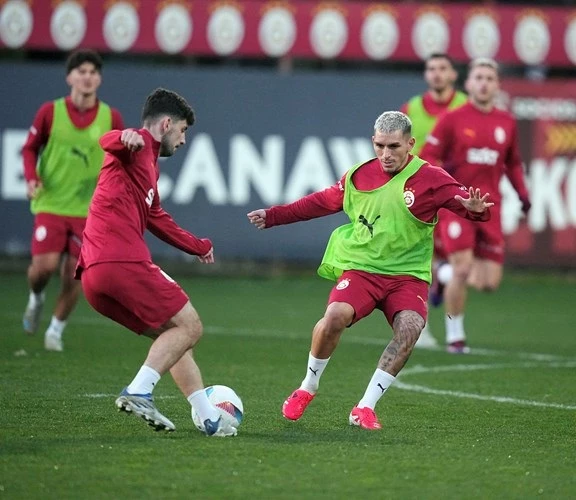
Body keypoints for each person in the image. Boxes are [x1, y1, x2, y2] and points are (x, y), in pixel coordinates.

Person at [247, 111, 493, 430]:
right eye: (379, 146)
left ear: (410, 143)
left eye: (394, 146)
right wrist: (274, 216)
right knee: (334, 318)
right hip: (362, 269)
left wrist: (474, 211)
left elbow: (470, 205)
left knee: (410, 330)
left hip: (408, 277)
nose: (386, 154)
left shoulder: (431, 178)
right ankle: (308, 385)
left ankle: (365, 407)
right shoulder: (358, 176)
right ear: (372, 142)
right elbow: (320, 202)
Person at [75, 88, 236, 436]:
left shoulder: (148, 165)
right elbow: (108, 141)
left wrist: (197, 246)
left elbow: (156, 217)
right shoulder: (133, 148)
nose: (183, 141)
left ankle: (208, 417)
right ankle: (138, 391)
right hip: (119, 260)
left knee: (172, 336)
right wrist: (124, 136)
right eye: (182, 131)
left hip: (94, 277)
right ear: (166, 124)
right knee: (190, 326)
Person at [420, 58, 531, 354]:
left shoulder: (506, 121)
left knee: (488, 282)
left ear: (497, 85)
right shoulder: (452, 119)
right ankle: (456, 336)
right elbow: (428, 156)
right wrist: (445, 186)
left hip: (490, 208)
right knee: (463, 268)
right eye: (478, 77)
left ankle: (441, 276)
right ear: (468, 84)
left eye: (489, 78)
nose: (483, 83)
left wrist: (523, 193)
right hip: (457, 206)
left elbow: (513, 162)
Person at [21, 49, 124, 352]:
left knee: (73, 274)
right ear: (70, 77)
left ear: (99, 79)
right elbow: (29, 148)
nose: (87, 77)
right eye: (81, 72)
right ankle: (36, 297)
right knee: (44, 268)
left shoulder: (111, 117)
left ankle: (55, 331)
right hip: (51, 203)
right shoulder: (50, 112)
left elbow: (121, 159)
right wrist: (31, 177)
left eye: (93, 72)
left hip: (89, 210)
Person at [401, 53, 468, 349]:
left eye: (443, 68)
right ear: (426, 75)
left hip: (454, 191)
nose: (437, 74)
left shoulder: (466, 106)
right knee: (420, 261)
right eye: (431, 69)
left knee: (464, 267)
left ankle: (442, 281)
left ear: (453, 74)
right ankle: (424, 329)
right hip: (419, 195)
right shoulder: (411, 109)